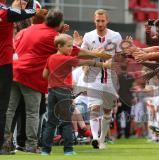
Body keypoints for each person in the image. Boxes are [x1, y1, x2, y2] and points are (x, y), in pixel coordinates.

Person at [41, 34, 110, 155]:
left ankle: (45, 150)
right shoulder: (67, 59)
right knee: (66, 121)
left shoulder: (50, 58)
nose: (71, 49)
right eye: (68, 46)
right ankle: (68, 150)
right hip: (64, 92)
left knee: (51, 122)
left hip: (52, 91)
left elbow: (44, 75)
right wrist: (103, 65)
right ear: (59, 46)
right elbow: (86, 61)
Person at [81, 9, 122, 149]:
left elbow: (121, 57)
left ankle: (102, 139)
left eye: (102, 21)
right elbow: (82, 55)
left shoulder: (116, 36)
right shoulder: (88, 36)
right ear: (94, 21)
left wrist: (115, 62)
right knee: (94, 107)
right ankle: (95, 138)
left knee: (107, 111)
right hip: (93, 77)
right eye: (98, 21)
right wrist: (87, 63)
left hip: (109, 78)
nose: (100, 23)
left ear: (107, 21)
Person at [0, 0, 36, 154]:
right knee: (3, 108)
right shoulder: (5, 12)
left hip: (8, 64)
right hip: (4, 64)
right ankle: (3, 146)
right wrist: (32, 6)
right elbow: (31, 11)